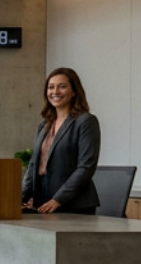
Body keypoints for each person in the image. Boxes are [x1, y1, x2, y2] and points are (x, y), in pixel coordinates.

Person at [22, 67, 100, 214]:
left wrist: (58, 199)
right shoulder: (44, 124)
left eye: (62, 87)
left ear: (74, 91)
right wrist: (21, 198)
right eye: (51, 87)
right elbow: (33, 164)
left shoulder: (85, 121)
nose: (55, 92)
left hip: (74, 205)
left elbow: (86, 167)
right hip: (44, 203)